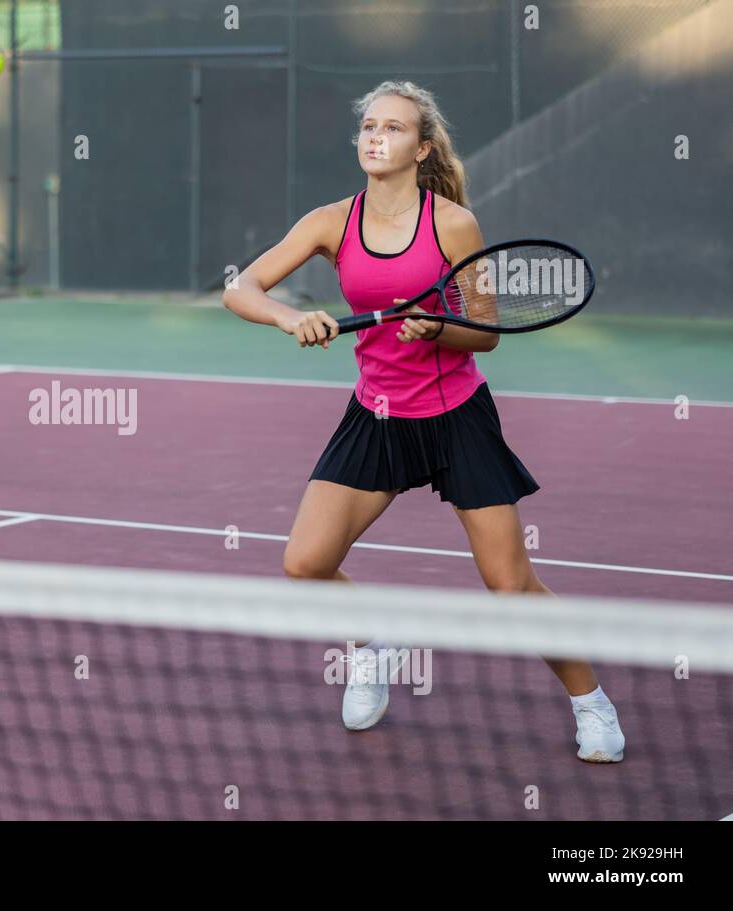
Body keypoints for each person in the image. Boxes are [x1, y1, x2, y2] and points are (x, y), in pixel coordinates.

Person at [222, 80, 624, 763]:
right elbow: (240, 287)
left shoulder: (452, 224)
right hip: (376, 414)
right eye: (369, 127)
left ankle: (591, 703)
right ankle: (376, 646)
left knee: (509, 582)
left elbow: (487, 334)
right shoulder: (330, 221)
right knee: (306, 561)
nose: (376, 137)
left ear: (422, 147)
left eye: (394, 128)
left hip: (456, 415)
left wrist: (441, 328)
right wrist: (294, 316)